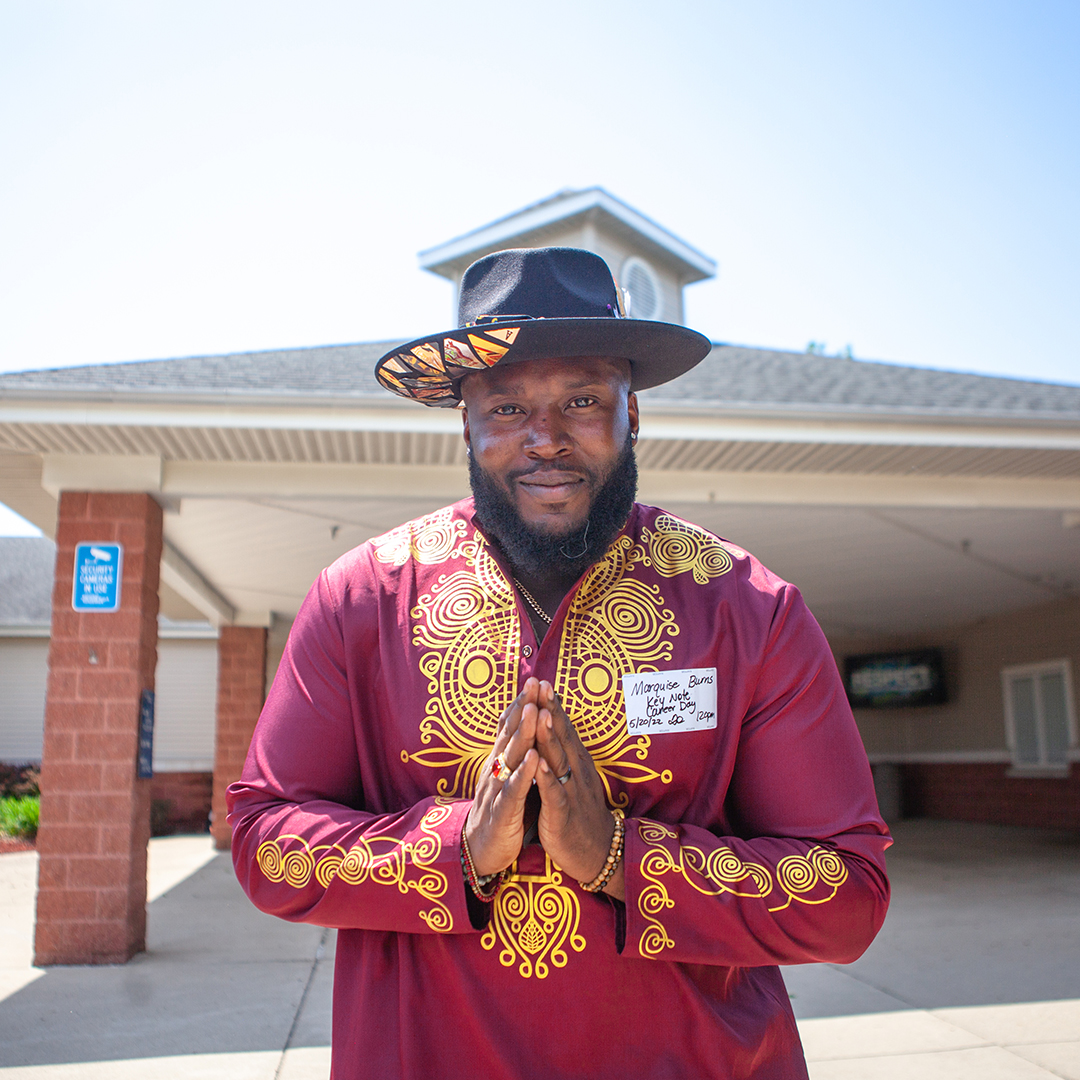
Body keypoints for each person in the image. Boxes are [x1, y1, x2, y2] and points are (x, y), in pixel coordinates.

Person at [228, 247, 891, 1080]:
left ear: (633, 410)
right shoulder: (363, 599)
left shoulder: (747, 608)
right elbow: (263, 839)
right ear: (463, 421)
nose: (545, 439)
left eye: (581, 399)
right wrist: (455, 852)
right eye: (505, 407)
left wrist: (622, 855)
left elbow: (847, 896)